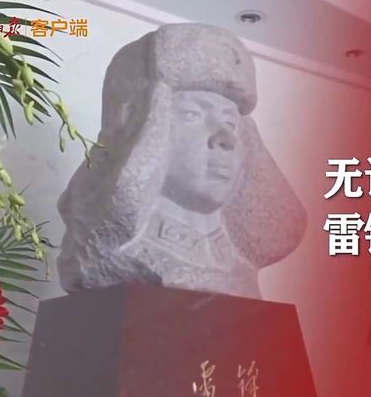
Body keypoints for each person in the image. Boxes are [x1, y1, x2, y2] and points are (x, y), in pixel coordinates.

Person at [57, 24, 306, 299]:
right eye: (192, 115)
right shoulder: (125, 253)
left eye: (231, 123)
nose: (225, 139)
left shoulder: (236, 264)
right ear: (139, 121)